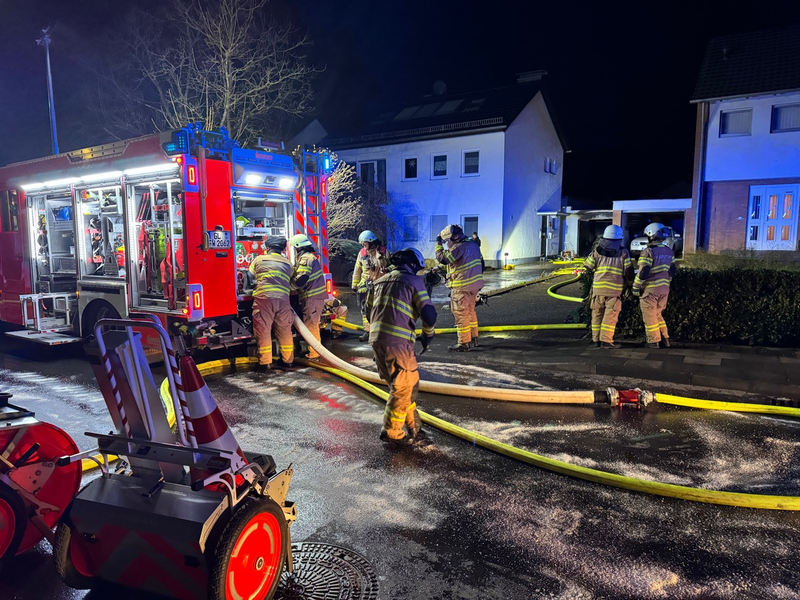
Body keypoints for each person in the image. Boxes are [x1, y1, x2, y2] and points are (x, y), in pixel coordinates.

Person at [367, 248, 437, 446]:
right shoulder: (413, 281)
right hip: (398, 344)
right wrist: (427, 336)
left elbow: (367, 311)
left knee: (405, 386)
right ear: (413, 265)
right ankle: (392, 432)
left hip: (377, 341)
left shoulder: (379, 281)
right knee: (403, 388)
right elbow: (429, 314)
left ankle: (414, 426)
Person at [584, 225, 634, 349]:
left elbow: (588, 267)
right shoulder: (623, 252)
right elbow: (628, 272)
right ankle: (606, 341)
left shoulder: (597, 251)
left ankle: (596, 340)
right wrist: (630, 283)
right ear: (620, 238)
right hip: (614, 291)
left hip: (598, 290)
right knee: (610, 317)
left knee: (597, 314)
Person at [249, 236, 295, 370]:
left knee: (263, 330)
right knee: (285, 330)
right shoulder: (287, 263)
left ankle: (265, 363)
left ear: (267, 248)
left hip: (264, 299)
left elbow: (250, 276)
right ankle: (288, 361)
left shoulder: (259, 259)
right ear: (282, 249)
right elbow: (291, 278)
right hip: (283, 300)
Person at [435, 224, 484, 351]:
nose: (447, 244)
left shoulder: (458, 247)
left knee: (461, 314)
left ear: (454, 237)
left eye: (448, 241)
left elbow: (443, 258)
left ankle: (463, 343)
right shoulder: (472, 245)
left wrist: (438, 243)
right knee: (470, 311)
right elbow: (461, 263)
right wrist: (441, 269)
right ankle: (474, 338)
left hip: (462, 287)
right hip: (474, 285)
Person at [633, 222, 676, 349]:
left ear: (651, 236)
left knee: (650, 316)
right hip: (664, 289)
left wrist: (636, 286)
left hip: (650, 289)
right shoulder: (668, 251)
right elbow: (672, 270)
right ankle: (665, 339)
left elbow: (644, 271)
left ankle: (653, 341)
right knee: (658, 314)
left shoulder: (648, 252)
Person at [289, 234, 327, 360]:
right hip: (313, 297)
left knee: (311, 325)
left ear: (298, 247)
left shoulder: (305, 258)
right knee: (312, 324)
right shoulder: (309, 257)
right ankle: (315, 350)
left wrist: (289, 288)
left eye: (294, 248)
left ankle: (314, 353)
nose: (294, 250)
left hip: (312, 297)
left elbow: (302, 278)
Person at [351, 230, 390, 342]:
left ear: (371, 241)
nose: (364, 245)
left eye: (365, 243)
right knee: (365, 310)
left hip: (381, 284)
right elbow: (357, 269)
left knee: (380, 309)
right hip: (366, 284)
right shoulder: (362, 253)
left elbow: (392, 265)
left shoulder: (384, 252)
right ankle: (368, 331)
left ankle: (381, 332)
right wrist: (355, 285)